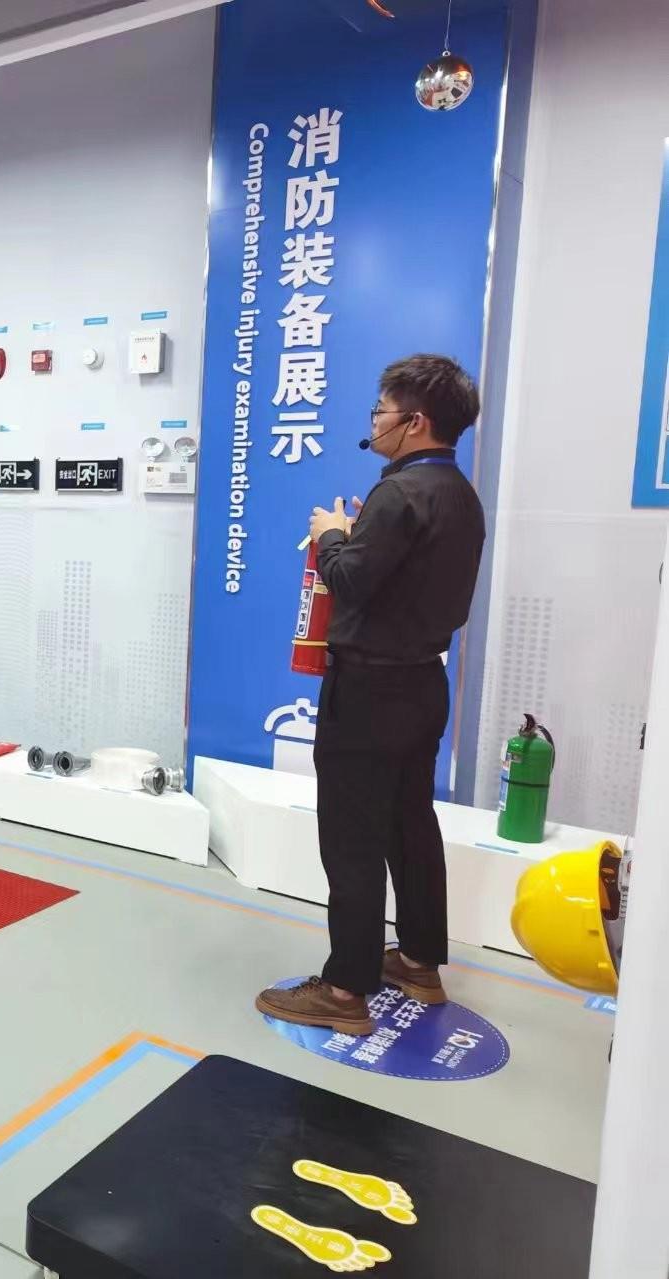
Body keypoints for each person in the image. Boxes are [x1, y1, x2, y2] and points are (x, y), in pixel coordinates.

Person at [255, 355, 487, 1036]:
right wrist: (359, 542)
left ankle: (344, 990)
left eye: (381, 410)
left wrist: (331, 535)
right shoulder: (461, 496)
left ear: (414, 421)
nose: (374, 421)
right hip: (422, 683)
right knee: (411, 824)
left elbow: (350, 580)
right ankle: (418, 960)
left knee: (352, 837)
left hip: (367, 691)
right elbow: (403, 576)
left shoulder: (399, 494)